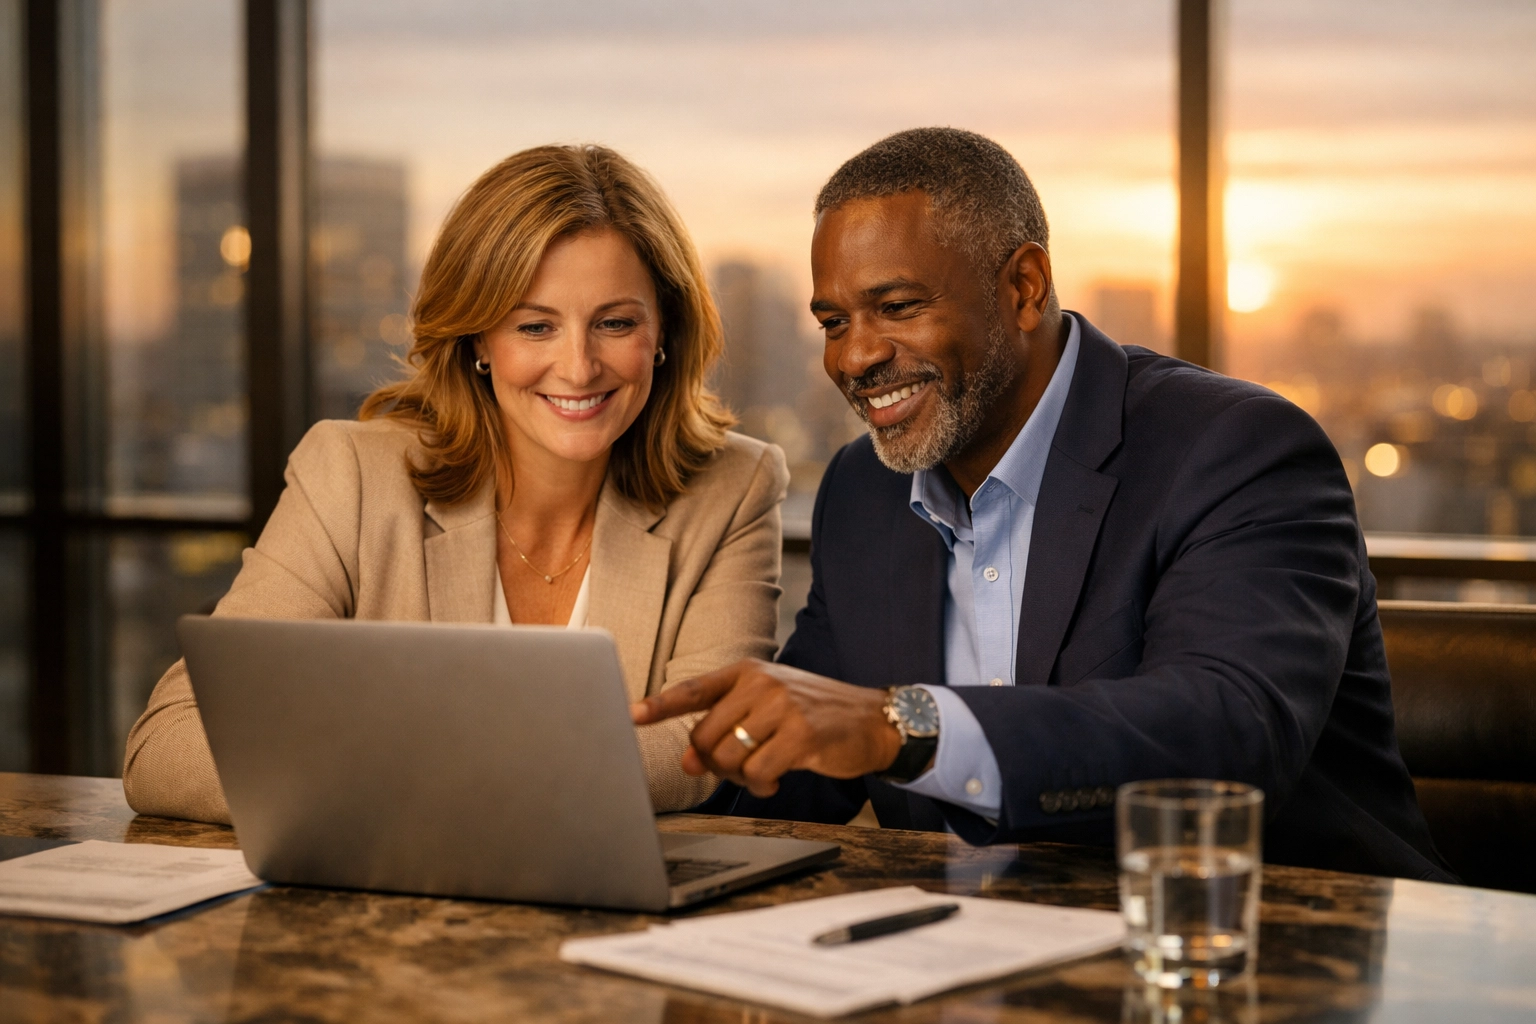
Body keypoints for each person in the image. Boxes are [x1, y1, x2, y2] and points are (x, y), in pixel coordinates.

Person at [634, 127, 1454, 882]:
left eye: (897, 307)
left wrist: (906, 726)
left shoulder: (1238, 446)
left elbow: (1227, 732)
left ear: (1025, 287)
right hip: (971, 964)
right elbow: (802, 757)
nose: (855, 357)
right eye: (832, 321)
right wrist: (603, 818)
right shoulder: (864, 490)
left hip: (1276, 953)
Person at [124, 144, 788, 825]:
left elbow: (703, 739)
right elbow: (169, 747)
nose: (579, 366)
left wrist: (399, 770)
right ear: (477, 340)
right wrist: (427, 787)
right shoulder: (352, 477)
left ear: (665, 332)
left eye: (615, 323)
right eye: (535, 327)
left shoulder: (733, 486)